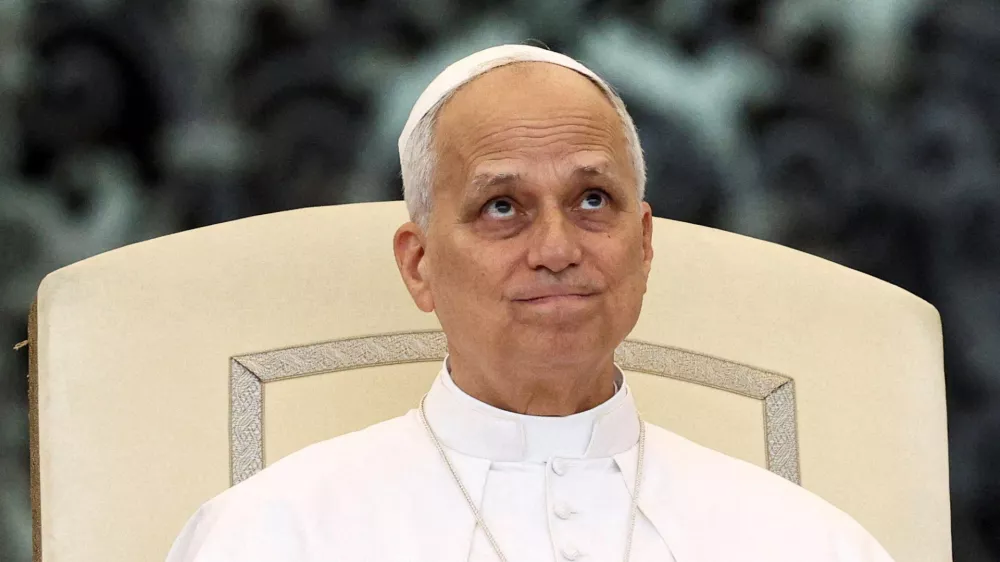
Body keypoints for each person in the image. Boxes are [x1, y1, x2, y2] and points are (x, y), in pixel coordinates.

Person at [165, 44, 894, 562]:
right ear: (419, 265)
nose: (556, 247)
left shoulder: (805, 541)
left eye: (592, 199)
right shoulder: (273, 535)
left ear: (643, 246)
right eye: (502, 206)